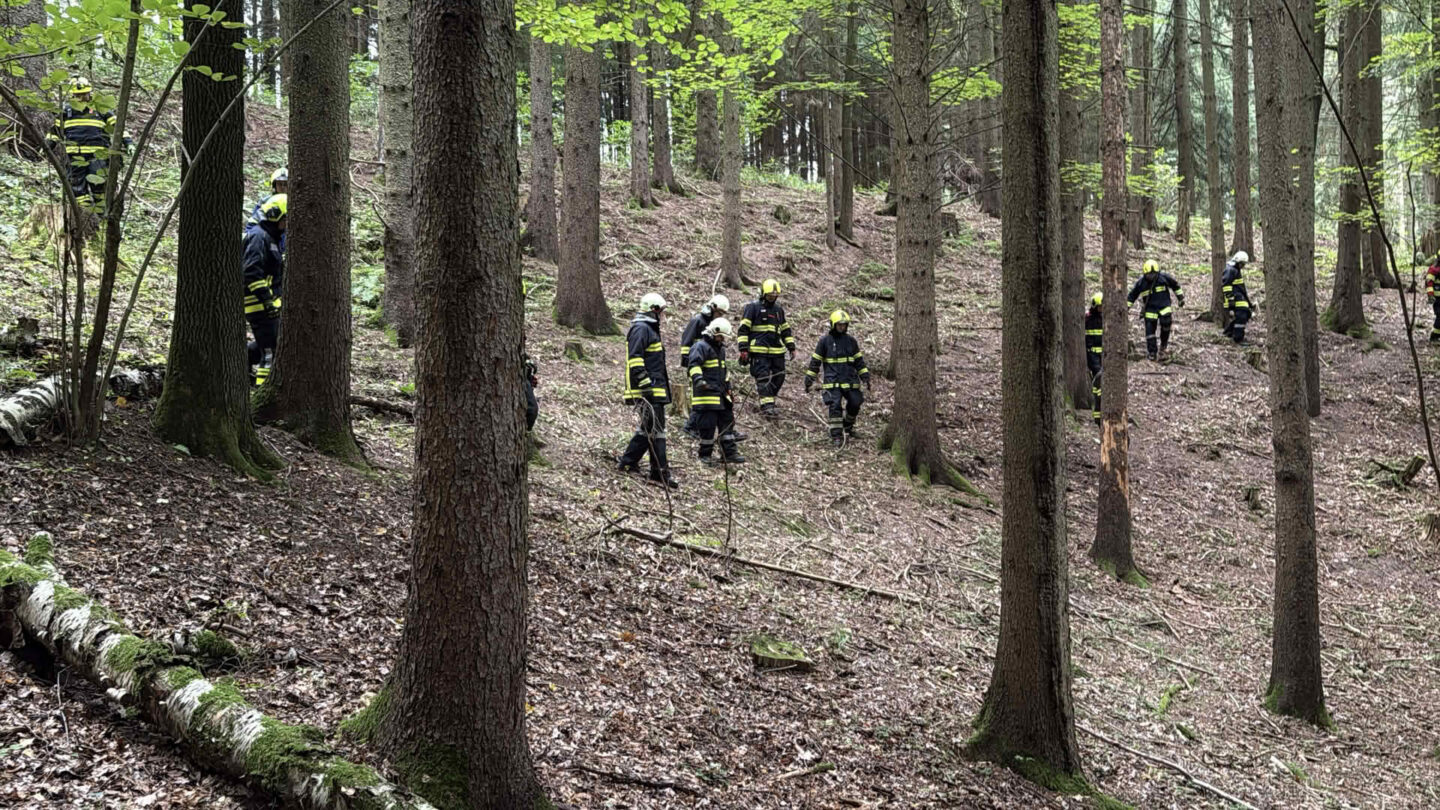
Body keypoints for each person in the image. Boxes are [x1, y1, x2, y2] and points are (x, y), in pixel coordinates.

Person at [617, 293, 678, 489]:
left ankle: (628, 462)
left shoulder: (649, 329)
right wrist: (645, 385)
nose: (662, 315)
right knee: (657, 431)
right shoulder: (641, 329)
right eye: (660, 311)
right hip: (648, 389)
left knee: (649, 429)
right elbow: (635, 360)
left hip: (655, 388)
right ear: (653, 310)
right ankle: (659, 473)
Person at [47, 78, 128, 212]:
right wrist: (48, 145)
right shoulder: (65, 111)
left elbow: (118, 127)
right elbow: (55, 131)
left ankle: (102, 216)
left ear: (90, 92)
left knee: (100, 186)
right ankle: (83, 215)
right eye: (78, 95)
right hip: (74, 157)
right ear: (73, 95)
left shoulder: (100, 109)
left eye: (84, 94)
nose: (81, 97)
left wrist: (128, 142)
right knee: (76, 187)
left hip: (98, 156)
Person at [680, 294, 742, 441]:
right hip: (698, 365)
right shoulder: (697, 321)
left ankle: (726, 429)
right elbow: (686, 344)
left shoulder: (714, 326)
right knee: (702, 399)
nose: (720, 316)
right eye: (719, 313)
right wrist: (690, 363)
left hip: (708, 366)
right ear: (712, 308)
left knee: (713, 398)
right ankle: (691, 426)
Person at [805, 310, 871, 447]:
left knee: (855, 402)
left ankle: (847, 426)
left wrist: (865, 377)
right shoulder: (824, 341)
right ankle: (836, 435)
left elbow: (859, 361)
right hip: (832, 381)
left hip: (850, 380)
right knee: (835, 406)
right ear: (833, 325)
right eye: (839, 325)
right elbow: (815, 361)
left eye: (844, 325)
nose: (842, 327)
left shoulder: (851, 341)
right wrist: (809, 378)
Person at [687, 318, 746, 466]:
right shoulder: (700, 347)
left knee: (727, 423)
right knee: (707, 427)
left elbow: (723, 372)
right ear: (714, 332)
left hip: (721, 395)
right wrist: (699, 380)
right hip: (706, 395)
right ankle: (705, 455)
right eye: (721, 336)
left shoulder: (720, 350)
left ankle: (729, 453)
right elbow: (694, 365)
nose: (722, 339)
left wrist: (728, 388)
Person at [243, 194, 287, 386]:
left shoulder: (271, 238)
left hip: (268, 303)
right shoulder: (258, 237)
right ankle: (263, 390)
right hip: (257, 304)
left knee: (267, 343)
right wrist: (266, 300)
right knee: (270, 351)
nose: (287, 224)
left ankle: (241, 360)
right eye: (286, 218)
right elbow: (251, 271)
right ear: (275, 216)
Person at [737, 278, 797, 417]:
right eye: (770, 296)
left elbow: (785, 330)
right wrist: (743, 349)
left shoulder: (778, 310)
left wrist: (791, 347)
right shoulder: (752, 308)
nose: (772, 298)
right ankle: (767, 406)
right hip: (759, 352)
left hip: (777, 351)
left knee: (779, 377)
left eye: (775, 296)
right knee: (762, 377)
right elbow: (743, 330)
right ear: (763, 294)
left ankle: (769, 400)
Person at [1127, 259, 1184, 361]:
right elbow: (1132, 295)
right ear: (1145, 273)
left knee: (1166, 324)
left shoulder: (1163, 278)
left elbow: (1175, 285)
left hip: (1164, 306)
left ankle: (1163, 346)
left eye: (1154, 274)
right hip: (1150, 310)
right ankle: (1152, 352)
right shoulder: (1141, 283)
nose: (1152, 276)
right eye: (1149, 274)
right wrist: (1126, 307)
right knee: (1150, 332)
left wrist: (1181, 298)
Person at [1221, 250, 1252, 344]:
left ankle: (1228, 332)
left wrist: (1249, 303)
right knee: (1241, 317)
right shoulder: (1230, 270)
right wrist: (1230, 300)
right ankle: (1238, 339)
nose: (1243, 266)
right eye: (1242, 264)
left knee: (1246, 314)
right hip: (1235, 299)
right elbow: (1226, 285)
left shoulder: (1234, 270)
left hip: (1239, 299)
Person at [1085, 293, 1103, 423]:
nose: (1102, 309)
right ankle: (1097, 416)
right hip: (1093, 356)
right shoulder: (1088, 319)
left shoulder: (1107, 319)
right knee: (1099, 381)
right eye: (1100, 307)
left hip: (1104, 357)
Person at [1426, 255, 1440, 343]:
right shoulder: (1434, 269)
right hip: (1438, 299)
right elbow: (1429, 282)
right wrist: (1430, 295)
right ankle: (1434, 336)